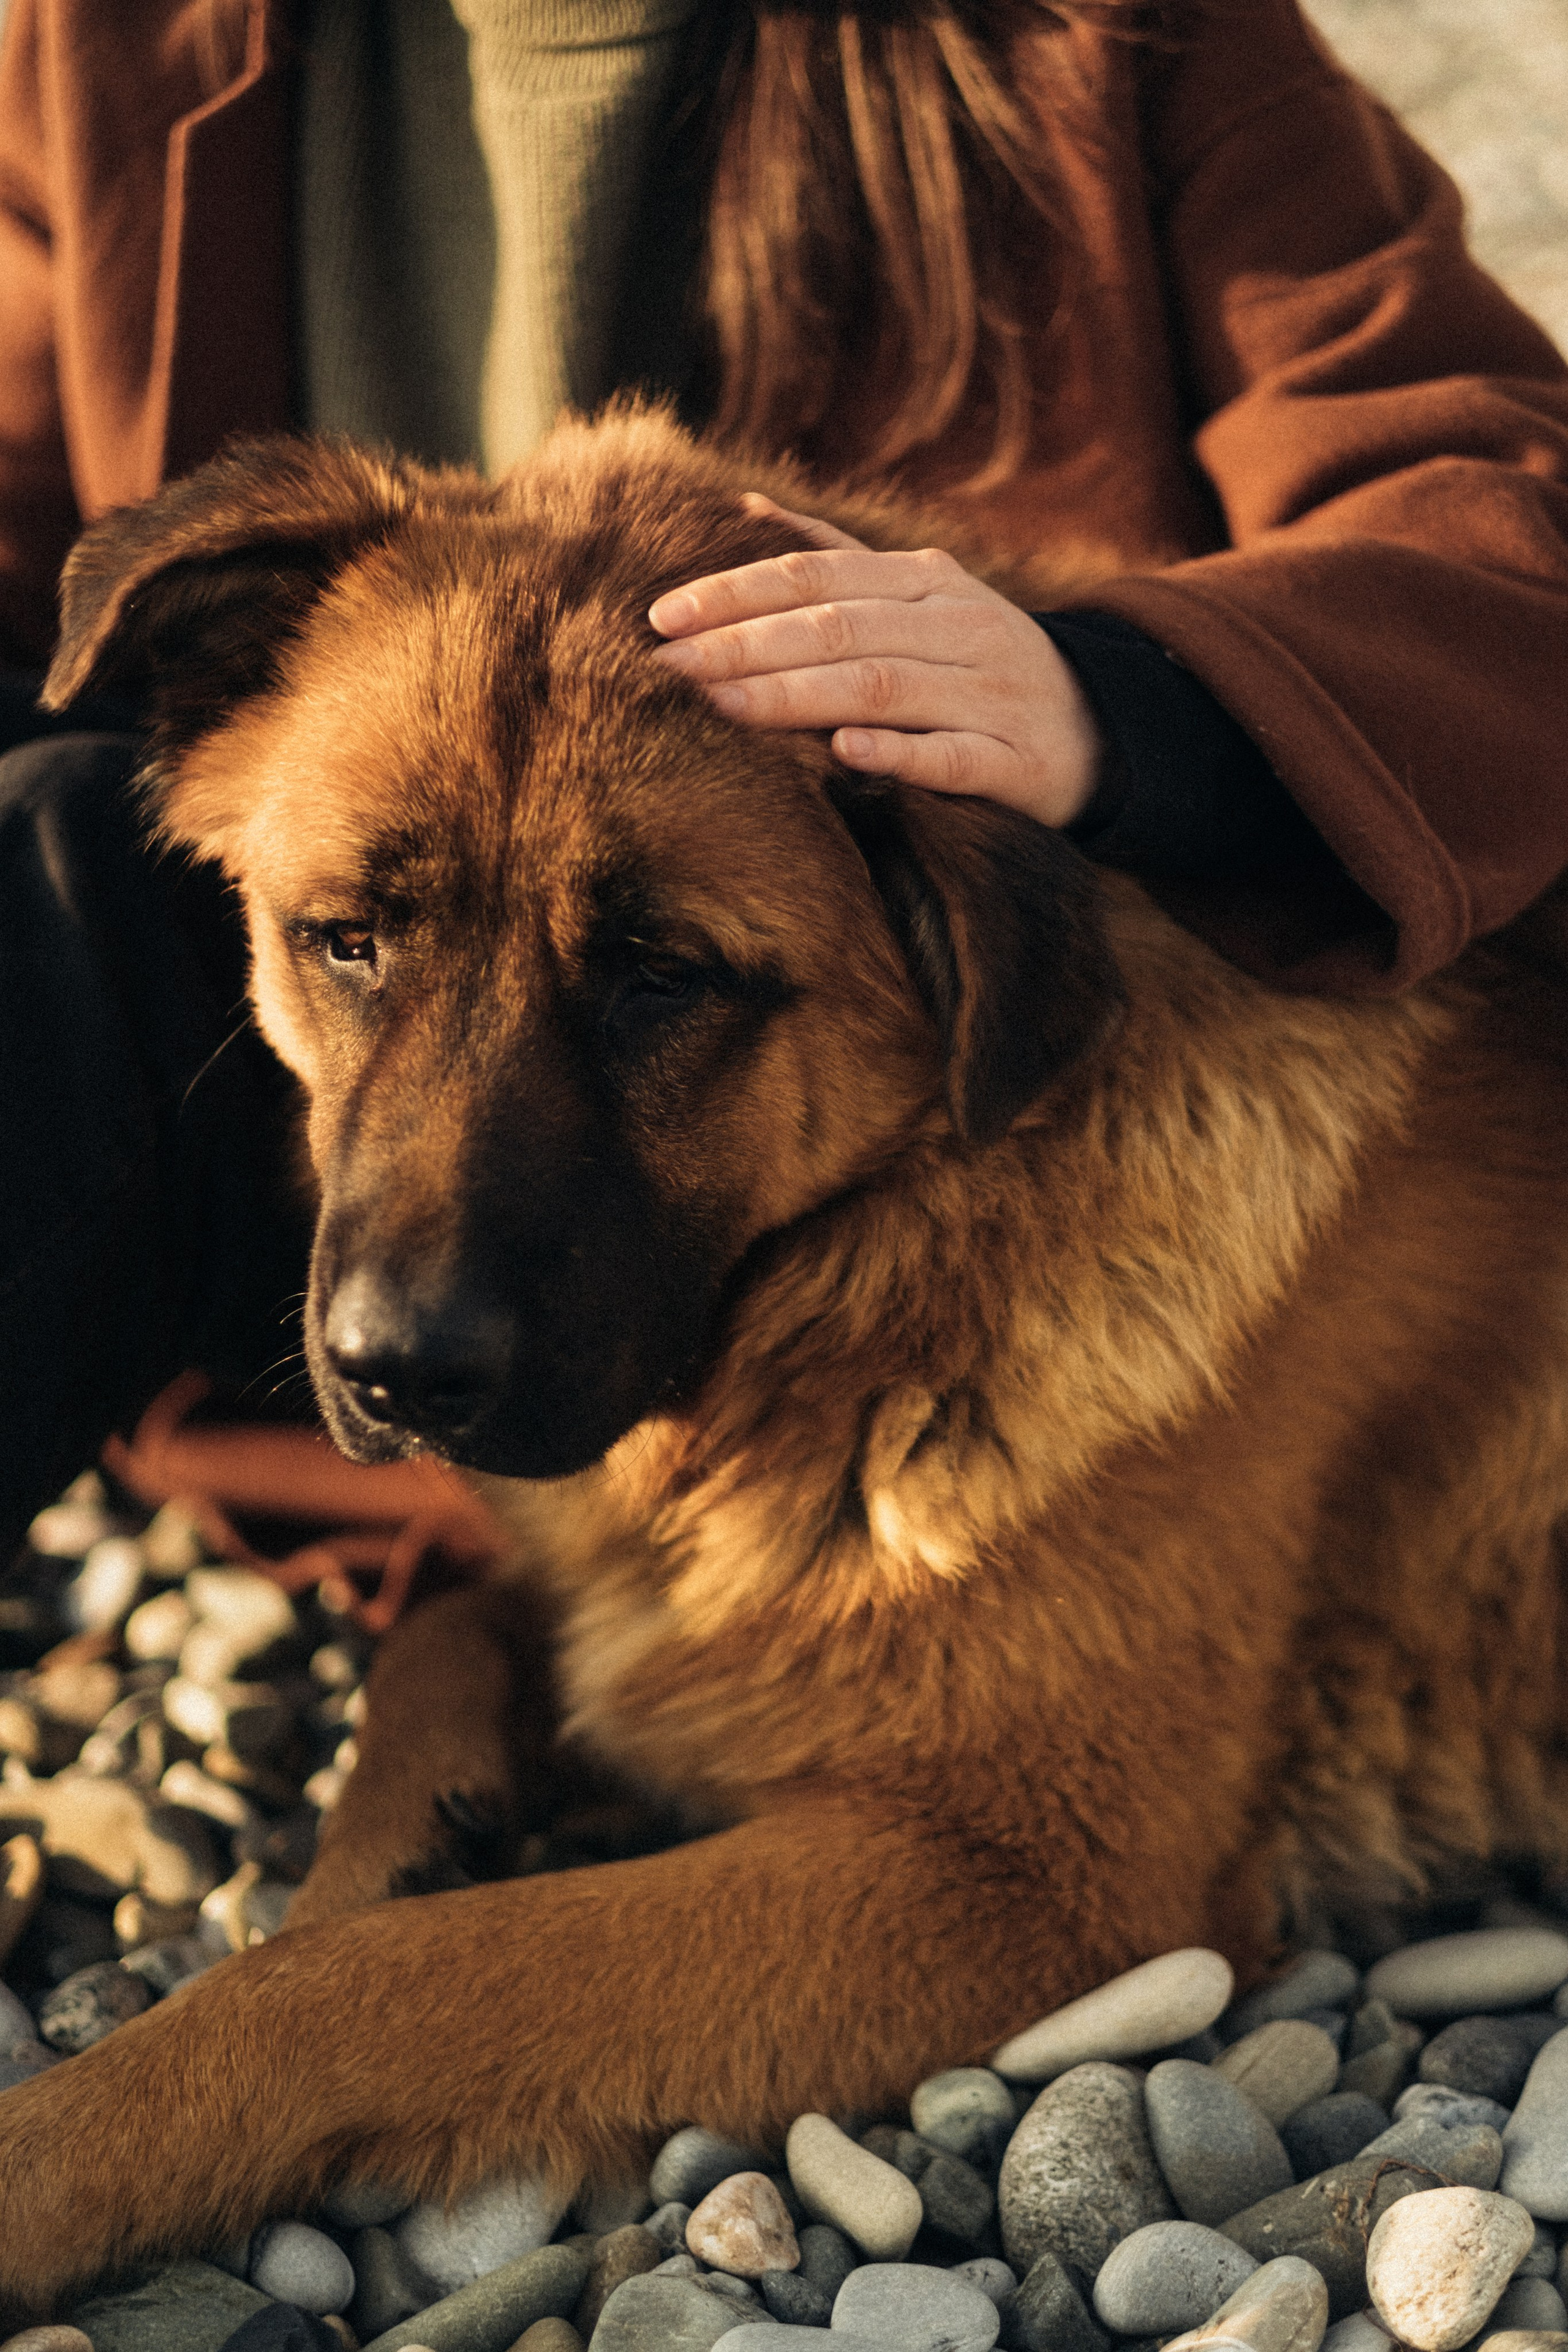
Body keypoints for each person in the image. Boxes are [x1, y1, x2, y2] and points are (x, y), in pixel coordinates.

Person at [2, 0, 1566, 1554]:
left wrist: (1115, 699)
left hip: (965, 1163)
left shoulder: (1102, 35)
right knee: (55, 841)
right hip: (284, 1199)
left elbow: (1501, 522)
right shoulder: (108, 38)